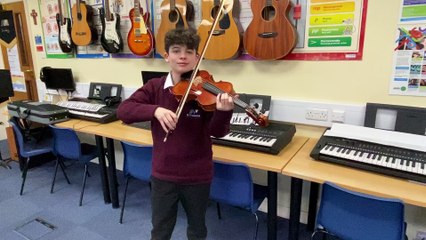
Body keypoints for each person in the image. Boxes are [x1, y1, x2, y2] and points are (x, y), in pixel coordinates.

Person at [116, 28, 235, 240]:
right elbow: (124, 110)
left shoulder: (206, 91)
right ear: (166, 56)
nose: (182, 56)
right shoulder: (155, 87)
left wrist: (224, 113)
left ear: (197, 57)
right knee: (160, 230)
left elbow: (217, 132)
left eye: (189, 52)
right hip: (164, 174)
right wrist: (155, 110)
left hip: (197, 175)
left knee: (197, 229)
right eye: (176, 50)